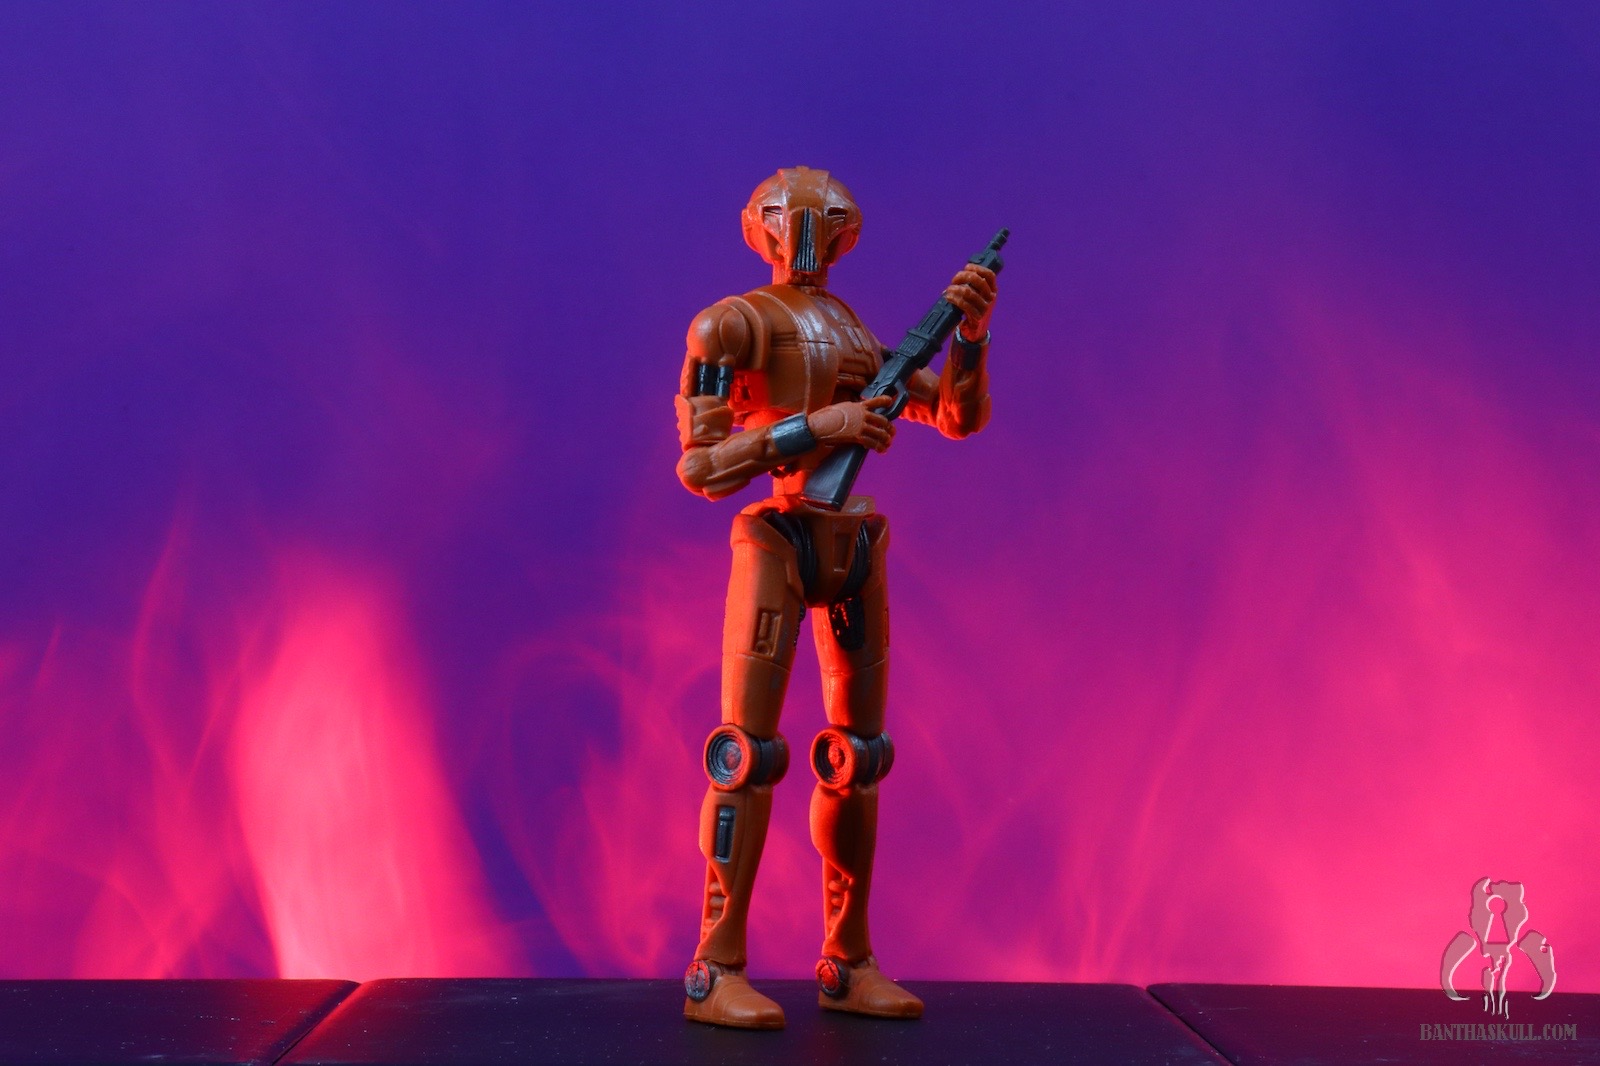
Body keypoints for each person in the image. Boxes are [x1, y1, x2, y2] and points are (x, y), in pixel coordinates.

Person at [675, 166, 998, 1029]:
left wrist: (969, 337)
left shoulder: (852, 331)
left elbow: (955, 417)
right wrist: (819, 428)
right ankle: (715, 968)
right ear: (765, 226)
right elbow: (702, 466)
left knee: (860, 757)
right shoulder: (731, 324)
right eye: (796, 218)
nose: (809, 233)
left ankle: (847, 961)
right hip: (778, 541)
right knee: (746, 756)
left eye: (826, 218)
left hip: (850, 545)